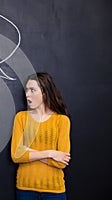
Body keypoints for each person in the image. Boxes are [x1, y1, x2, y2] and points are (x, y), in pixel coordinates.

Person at [11, 72, 71, 200]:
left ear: (44, 93)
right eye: (27, 90)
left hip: (55, 191)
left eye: (32, 90)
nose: (27, 94)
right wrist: (50, 153)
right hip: (25, 189)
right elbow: (16, 156)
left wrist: (27, 151)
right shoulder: (21, 118)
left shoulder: (62, 120)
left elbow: (62, 163)